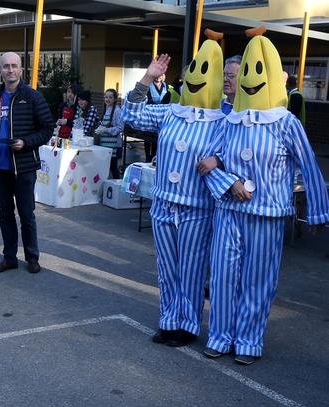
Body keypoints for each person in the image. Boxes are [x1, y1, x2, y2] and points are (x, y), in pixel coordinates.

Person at [197, 33, 329, 365]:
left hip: (267, 214)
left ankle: (248, 340)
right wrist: (230, 181)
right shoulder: (230, 121)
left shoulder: (286, 123)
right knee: (224, 276)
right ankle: (220, 335)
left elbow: (309, 167)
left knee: (258, 281)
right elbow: (206, 161)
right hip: (229, 211)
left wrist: (317, 212)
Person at [124, 39, 229, 348]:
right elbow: (131, 116)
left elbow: (234, 152)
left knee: (192, 271)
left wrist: (218, 160)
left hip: (197, 209)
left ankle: (188, 324)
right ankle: (168, 320)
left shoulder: (223, 122)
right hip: (163, 205)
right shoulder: (170, 112)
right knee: (167, 267)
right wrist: (146, 78)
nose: (196, 78)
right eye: (192, 70)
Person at [0, 52, 53, 274]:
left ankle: (32, 257)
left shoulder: (32, 97)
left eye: (14, 66)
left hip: (24, 168)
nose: (10, 70)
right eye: (6, 66)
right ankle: (9, 258)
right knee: (5, 215)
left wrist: (25, 142)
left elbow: (47, 128)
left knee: (27, 215)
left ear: (21, 70)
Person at [94, 88, 124, 179]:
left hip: (114, 146)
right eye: (106, 97)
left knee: (113, 169)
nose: (107, 99)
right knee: (106, 168)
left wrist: (105, 130)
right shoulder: (106, 110)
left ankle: (117, 188)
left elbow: (120, 128)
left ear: (115, 99)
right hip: (105, 145)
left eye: (110, 97)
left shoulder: (117, 111)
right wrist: (99, 129)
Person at [144, 73, 171, 162]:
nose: (159, 76)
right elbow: (147, 99)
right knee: (148, 138)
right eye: (157, 74)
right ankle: (148, 156)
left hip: (162, 115)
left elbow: (167, 98)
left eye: (161, 75)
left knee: (157, 137)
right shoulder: (149, 85)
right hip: (150, 113)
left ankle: (154, 156)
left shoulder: (165, 85)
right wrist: (158, 105)